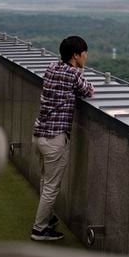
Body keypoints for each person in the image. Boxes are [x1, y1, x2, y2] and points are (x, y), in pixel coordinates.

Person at [29, 36, 95, 241]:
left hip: (39, 134)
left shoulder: (52, 67)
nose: (86, 56)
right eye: (84, 53)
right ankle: (39, 229)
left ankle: (46, 219)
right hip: (55, 139)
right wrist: (80, 71)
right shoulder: (73, 74)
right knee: (51, 186)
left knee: (45, 180)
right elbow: (89, 91)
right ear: (76, 55)